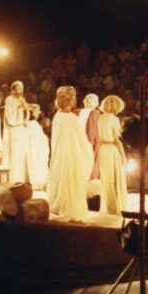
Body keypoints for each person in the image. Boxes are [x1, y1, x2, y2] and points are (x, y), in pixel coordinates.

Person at [47, 86, 94, 221]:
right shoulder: (71, 118)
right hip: (70, 158)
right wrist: (88, 147)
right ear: (71, 100)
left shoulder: (57, 117)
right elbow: (80, 141)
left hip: (59, 157)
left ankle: (57, 204)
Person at [98, 95, 128, 215]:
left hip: (103, 149)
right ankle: (115, 205)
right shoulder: (114, 119)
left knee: (106, 178)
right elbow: (117, 138)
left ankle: (107, 205)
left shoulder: (101, 118)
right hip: (112, 149)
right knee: (115, 176)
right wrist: (123, 154)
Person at [4, 81, 31, 182]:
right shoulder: (9, 100)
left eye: (22, 89)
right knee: (15, 154)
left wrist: (26, 111)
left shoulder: (22, 99)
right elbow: (9, 117)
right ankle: (15, 179)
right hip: (14, 130)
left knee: (22, 153)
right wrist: (18, 107)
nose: (21, 91)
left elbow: (26, 112)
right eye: (18, 89)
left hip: (21, 129)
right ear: (13, 90)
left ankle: (22, 179)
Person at [77, 93, 102, 180]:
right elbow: (93, 130)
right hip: (91, 142)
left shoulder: (77, 112)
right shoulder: (95, 113)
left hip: (78, 142)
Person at [27, 104, 50, 190]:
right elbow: (40, 140)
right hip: (36, 152)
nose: (39, 112)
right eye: (38, 110)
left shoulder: (31, 124)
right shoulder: (33, 125)